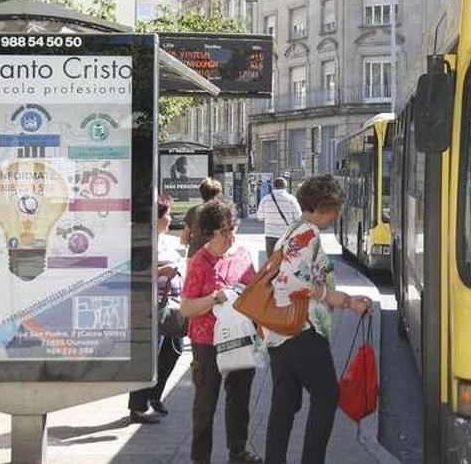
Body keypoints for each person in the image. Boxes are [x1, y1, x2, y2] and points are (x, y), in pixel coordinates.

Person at [265, 175, 372, 464]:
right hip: (302, 330)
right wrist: (343, 300)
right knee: (326, 397)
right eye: (335, 208)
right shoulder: (307, 233)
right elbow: (291, 281)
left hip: (279, 331)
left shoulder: (293, 230)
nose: (337, 215)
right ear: (323, 205)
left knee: (284, 404)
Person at [180, 200, 263, 464]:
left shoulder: (242, 254)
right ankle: (200, 458)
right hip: (206, 342)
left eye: (233, 228)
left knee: (239, 398)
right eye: (225, 231)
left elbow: (254, 292)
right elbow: (186, 308)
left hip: (239, 337)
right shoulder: (199, 262)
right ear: (209, 232)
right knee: (205, 403)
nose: (231, 235)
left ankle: (237, 452)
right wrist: (214, 298)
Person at [127, 199, 185, 424]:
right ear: (157, 217)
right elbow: (135, 273)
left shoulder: (165, 240)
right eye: (168, 214)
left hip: (170, 305)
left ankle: (154, 395)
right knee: (148, 355)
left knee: (174, 348)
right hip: (148, 306)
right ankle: (138, 406)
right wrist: (162, 270)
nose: (171, 218)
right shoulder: (143, 243)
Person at [255, 177, 300, 258]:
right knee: (287, 262)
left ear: (273, 186)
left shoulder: (265, 199)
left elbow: (259, 217)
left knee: (272, 263)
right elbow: (298, 217)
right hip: (286, 235)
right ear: (285, 186)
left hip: (270, 235)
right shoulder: (291, 199)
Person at [181, 177, 224, 258]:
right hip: (214, 256)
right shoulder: (222, 212)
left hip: (194, 255)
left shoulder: (193, 211)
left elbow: (184, 237)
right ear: (218, 194)